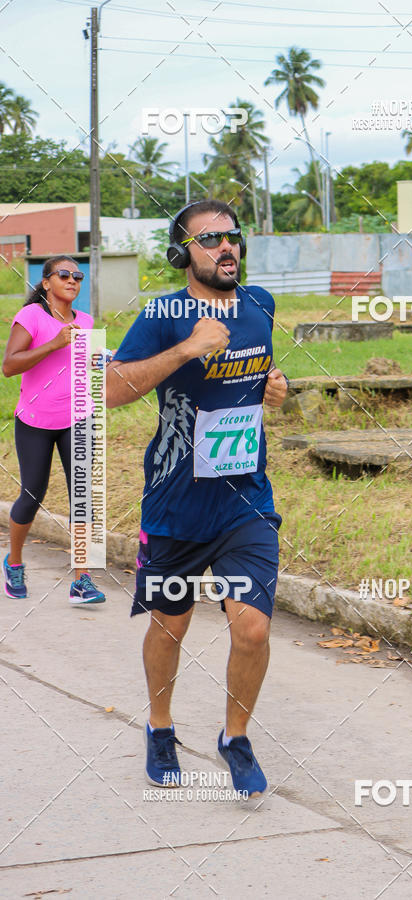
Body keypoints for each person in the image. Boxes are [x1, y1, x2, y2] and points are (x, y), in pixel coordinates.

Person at [106, 200, 288, 797]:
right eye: (209, 240)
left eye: (232, 237)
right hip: (176, 502)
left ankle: (235, 738)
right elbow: (109, 390)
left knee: (253, 630)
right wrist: (187, 348)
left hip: (245, 501)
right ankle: (160, 728)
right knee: (170, 625)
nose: (225, 247)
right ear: (183, 254)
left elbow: (259, 370)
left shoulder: (258, 304)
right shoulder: (164, 314)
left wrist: (274, 385)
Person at [2, 256, 106, 605]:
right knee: (32, 494)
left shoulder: (86, 321)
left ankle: (82, 579)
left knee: (83, 496)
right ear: (46, 282)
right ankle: (14, 561)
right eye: (64, 274)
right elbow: (9, 366)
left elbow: (84, 369)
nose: (73, 280)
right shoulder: (31, 317)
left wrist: (99, 360)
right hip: (34, 421)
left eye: (77, 275)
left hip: (77, 417)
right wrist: (54, 344)